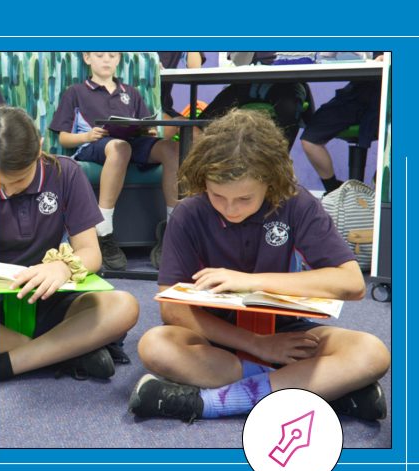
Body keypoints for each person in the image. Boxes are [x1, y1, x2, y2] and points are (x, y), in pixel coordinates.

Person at [129, 109, 390, 422]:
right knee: (155, 345)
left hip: (288, 335)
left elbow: (352, 283)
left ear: (270, 181)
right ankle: (317, 389)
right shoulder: (188, 214)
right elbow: (173, 311)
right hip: (217, 339)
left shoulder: (296, 202)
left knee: (372, 352)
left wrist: (253, 282)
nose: (230, 208)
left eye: (244, 198)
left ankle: (210, 403)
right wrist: (258, 345)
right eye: (217, 195)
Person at [0, 106, 139, 382]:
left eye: (18, 181)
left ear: (39, 148)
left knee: (124, 306)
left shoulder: (66, 173)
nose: (7, 192)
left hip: (50, 298)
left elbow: (91, 254)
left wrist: (62, 267)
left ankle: (8, 363)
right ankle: (64, 351)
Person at [49, 52, 179, 271]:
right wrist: (87, 136)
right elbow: (63, 137)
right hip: (96, 145)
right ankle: (104, 230)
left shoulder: (131, 93)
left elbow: (147, 128)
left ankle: (172, 228)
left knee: (172, 148)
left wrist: (147, 130)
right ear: (87, 59)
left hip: (133, 142)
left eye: (112, 56)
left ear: (119, 60)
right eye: (100, 55)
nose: (106, 60)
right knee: (120, 147)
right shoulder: (76, 92)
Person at [300, 52, 384, 193]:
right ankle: (334, 192)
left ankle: (378, 195)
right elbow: (326, 56)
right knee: (309, 139)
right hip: (356, 93)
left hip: (390, 94)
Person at [198, 52, 310, 149]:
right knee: (202, 124)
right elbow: (237, 60)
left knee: (289, 109)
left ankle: (279, 165)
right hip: (247, 82)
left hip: (287, 83)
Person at [158, 52, 205, 140]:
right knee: (169, 129)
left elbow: (195, 68)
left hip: (164, 106)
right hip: (138, 104)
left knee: (199, 138)